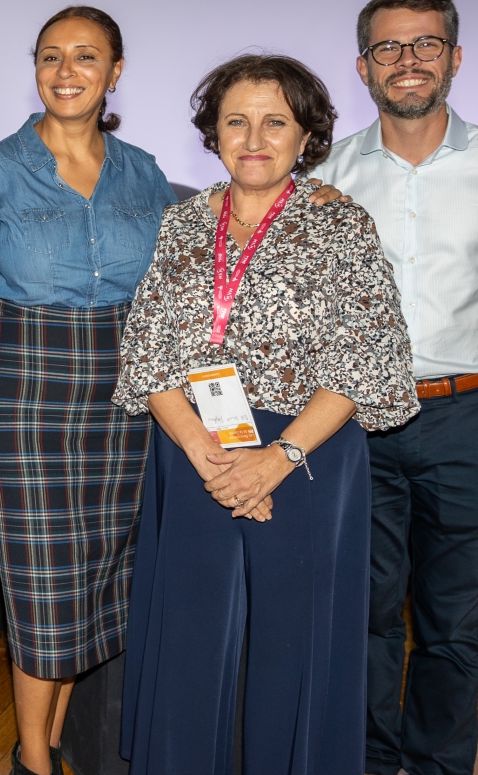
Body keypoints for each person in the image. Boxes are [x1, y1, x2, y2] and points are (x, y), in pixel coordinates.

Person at [112, 54, 419, 774]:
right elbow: (148, 354)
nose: (254, 139)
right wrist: (207, 456)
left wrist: (275, 461)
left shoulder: (340, 225)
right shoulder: (182, 223)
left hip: (306, 457)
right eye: (236, 122)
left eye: (275, 122)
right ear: (213, 133)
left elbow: (363, 362)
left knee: (293, 642)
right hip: (195, 452)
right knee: (192, 636)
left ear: (306, 134)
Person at [316, 0, 478, 775]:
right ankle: (367, 759)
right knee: (365, 613)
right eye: (388, 46)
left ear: (455, 58)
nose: (408, 60)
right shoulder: (326, 174)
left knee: (453, 622)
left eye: (425, 43)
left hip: (468, 421)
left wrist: (471, 390)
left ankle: (438, 766)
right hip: (355, 422)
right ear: (363, 66)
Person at [0, 7, 176, 775]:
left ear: (115, 70)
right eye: (50, 55)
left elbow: (173, 292)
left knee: (93, 594)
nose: (66, 71)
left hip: (129, 406)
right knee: (43, 598)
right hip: (27, 397)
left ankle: (34, 747)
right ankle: (36, 764)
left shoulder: (144, 173)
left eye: (85, 55)